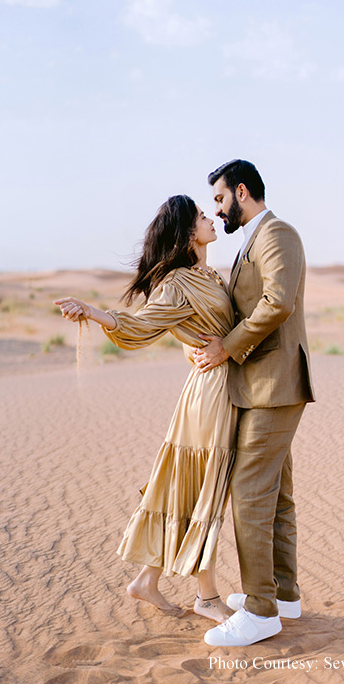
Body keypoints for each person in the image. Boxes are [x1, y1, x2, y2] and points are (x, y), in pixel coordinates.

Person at [54, 195, 237, 624]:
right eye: (202, 217)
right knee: (203, 489)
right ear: (190, 232)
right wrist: (93, 312)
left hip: (218, 385)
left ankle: (147, 582)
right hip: (211, 394)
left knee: (190, 487)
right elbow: (141, 324)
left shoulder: (204, 274)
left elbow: (204, 330)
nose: (211, 220)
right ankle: (207, 596)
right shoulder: (177, 284)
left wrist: (198, 346)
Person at [193, 160, 316, 646]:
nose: (218, 211)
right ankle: (283, 596)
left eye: (221, 199)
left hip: (274, 384)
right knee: (276, 493)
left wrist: (228, 345)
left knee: (247, 492)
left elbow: (279, 302)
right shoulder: (254, 238)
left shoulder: (277, 233)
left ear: (242, 191)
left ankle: (261, 611)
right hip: (264, 384)